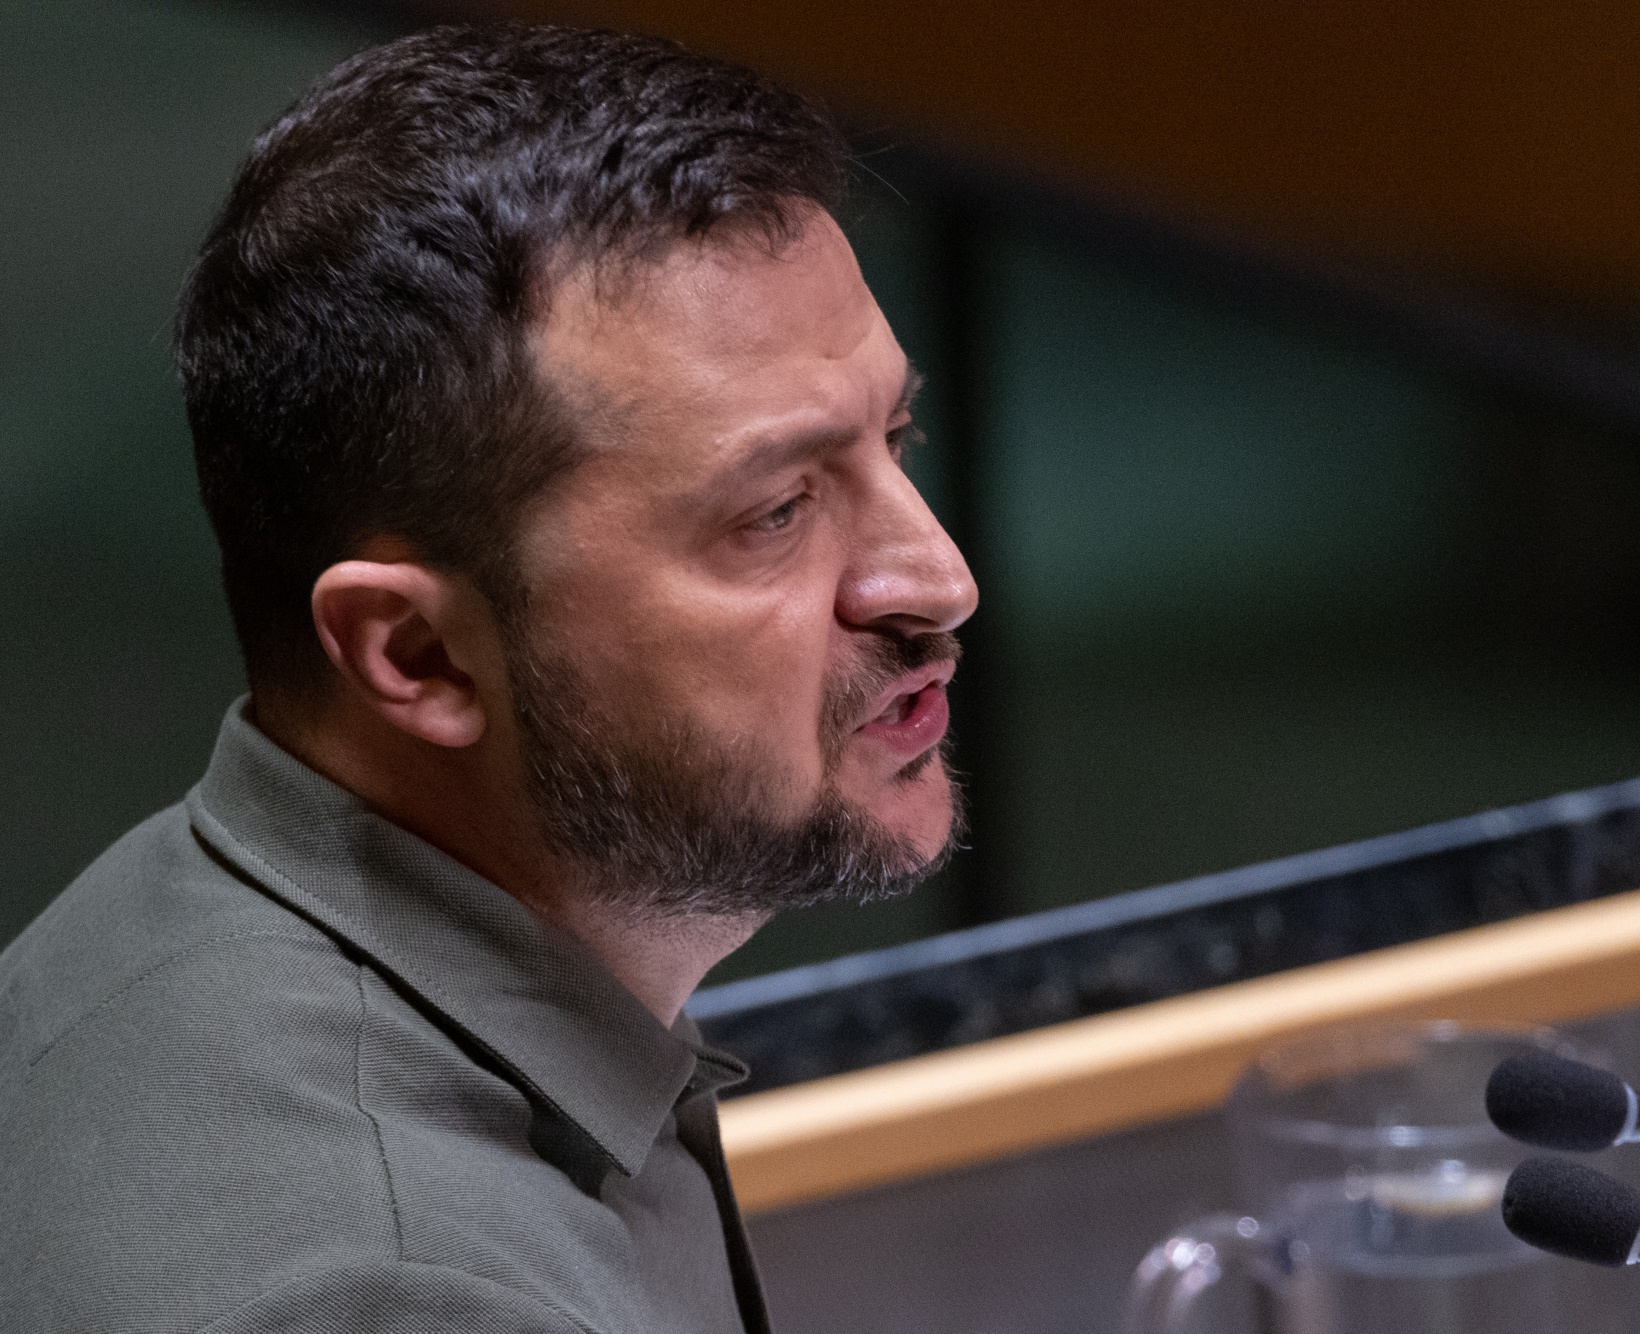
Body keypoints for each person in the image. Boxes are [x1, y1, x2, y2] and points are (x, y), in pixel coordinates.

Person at [0, 22, 975, 1334]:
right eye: (776, 512)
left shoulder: (158, 920)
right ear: (417, 655)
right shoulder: (403, 1285)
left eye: (896, 436)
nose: (938, 577)